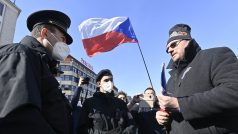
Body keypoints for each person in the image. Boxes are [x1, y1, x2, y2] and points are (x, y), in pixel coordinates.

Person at [0, 10, 73, 134]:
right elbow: (18, 119)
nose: (65, 45)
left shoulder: (43, 65)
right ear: (45, 33)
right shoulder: (19, 54)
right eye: (62, 39)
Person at [156, 23, 238, 133]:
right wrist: (163, 116)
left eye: (174, 44)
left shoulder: (215, 55)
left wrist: (180, 104)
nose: (170, 50)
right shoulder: (170, 80)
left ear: (187, 40)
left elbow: (233, 91)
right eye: (167, 49)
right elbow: (173, 112)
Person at [77, 69, 136, 134]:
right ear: (99, 84)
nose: (110, 83)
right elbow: (82, 128)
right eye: (106, 80)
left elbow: (131, 124)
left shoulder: (120, 103)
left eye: (111, 80)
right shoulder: (89, 103)